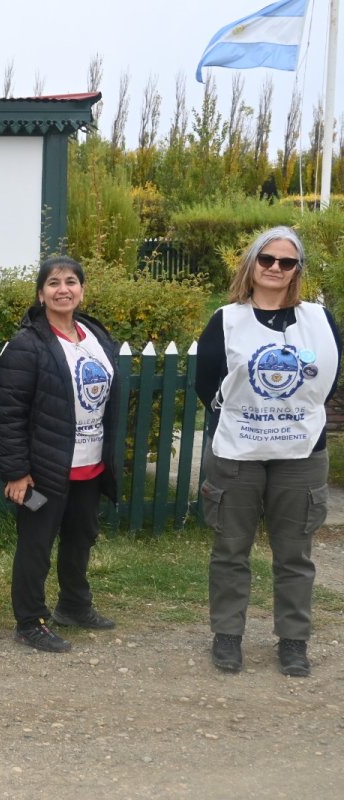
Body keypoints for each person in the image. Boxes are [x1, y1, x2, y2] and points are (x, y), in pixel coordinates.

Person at [196, 226, 340, 677]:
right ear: (252, 264)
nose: (276, 269)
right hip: (238, 450)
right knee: (230, 549)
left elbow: (329, 380)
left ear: (297, 270)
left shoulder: (320, 320)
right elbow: (208, 384)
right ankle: (227, 636)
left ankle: (293, 642)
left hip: (301, 451)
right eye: (268, 260)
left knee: (295, 553)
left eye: (287, 262)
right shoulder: (226, 319)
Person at [0, 256, 121, 653]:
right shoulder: (27, 344)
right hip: (44, 469)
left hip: (90, 464)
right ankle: (30, 621)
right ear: (40, 293)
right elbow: (8, 412)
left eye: (70, 281)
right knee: (36, 544)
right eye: (53, 283)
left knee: (81, 537)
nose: (62, 289)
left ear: (82, 289)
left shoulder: (96, 335)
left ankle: (74, 605)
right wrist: (16, 472)